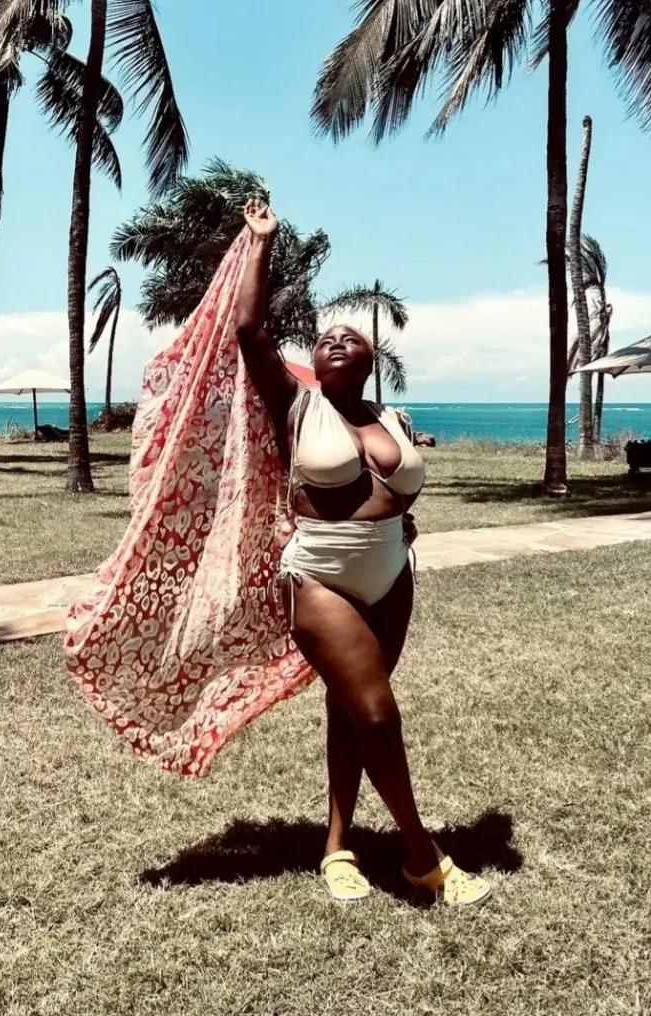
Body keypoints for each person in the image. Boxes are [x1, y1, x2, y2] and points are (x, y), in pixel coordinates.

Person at [234, 200, 491, 908]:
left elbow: (398, 494)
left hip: (392, 577)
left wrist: (402, 524)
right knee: (377, 713)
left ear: (374, 359)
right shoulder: (294, 404)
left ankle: (337, 846)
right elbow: (250, 330)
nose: (339, 340)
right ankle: (423, 857)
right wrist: (261, 243)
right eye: (326, 340)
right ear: (315, 364)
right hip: (319, 575)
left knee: (352, 708)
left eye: (352, 337)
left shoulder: (394, 418)